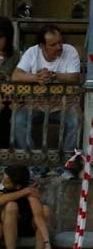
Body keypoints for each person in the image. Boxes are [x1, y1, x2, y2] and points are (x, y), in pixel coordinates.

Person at [11, 23, 83, 166]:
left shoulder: (70, 51)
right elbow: (15, 76)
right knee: (17, 119)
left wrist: (54, 75)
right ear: (42, 46)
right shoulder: (32, 52)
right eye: (53, 44)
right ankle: (32, 163)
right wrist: (36, 78)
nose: (59, 47)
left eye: (60, 42)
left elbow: (75, 77)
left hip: (63, 105)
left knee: (76, 120)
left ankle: (66, 164)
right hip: (36, 104)